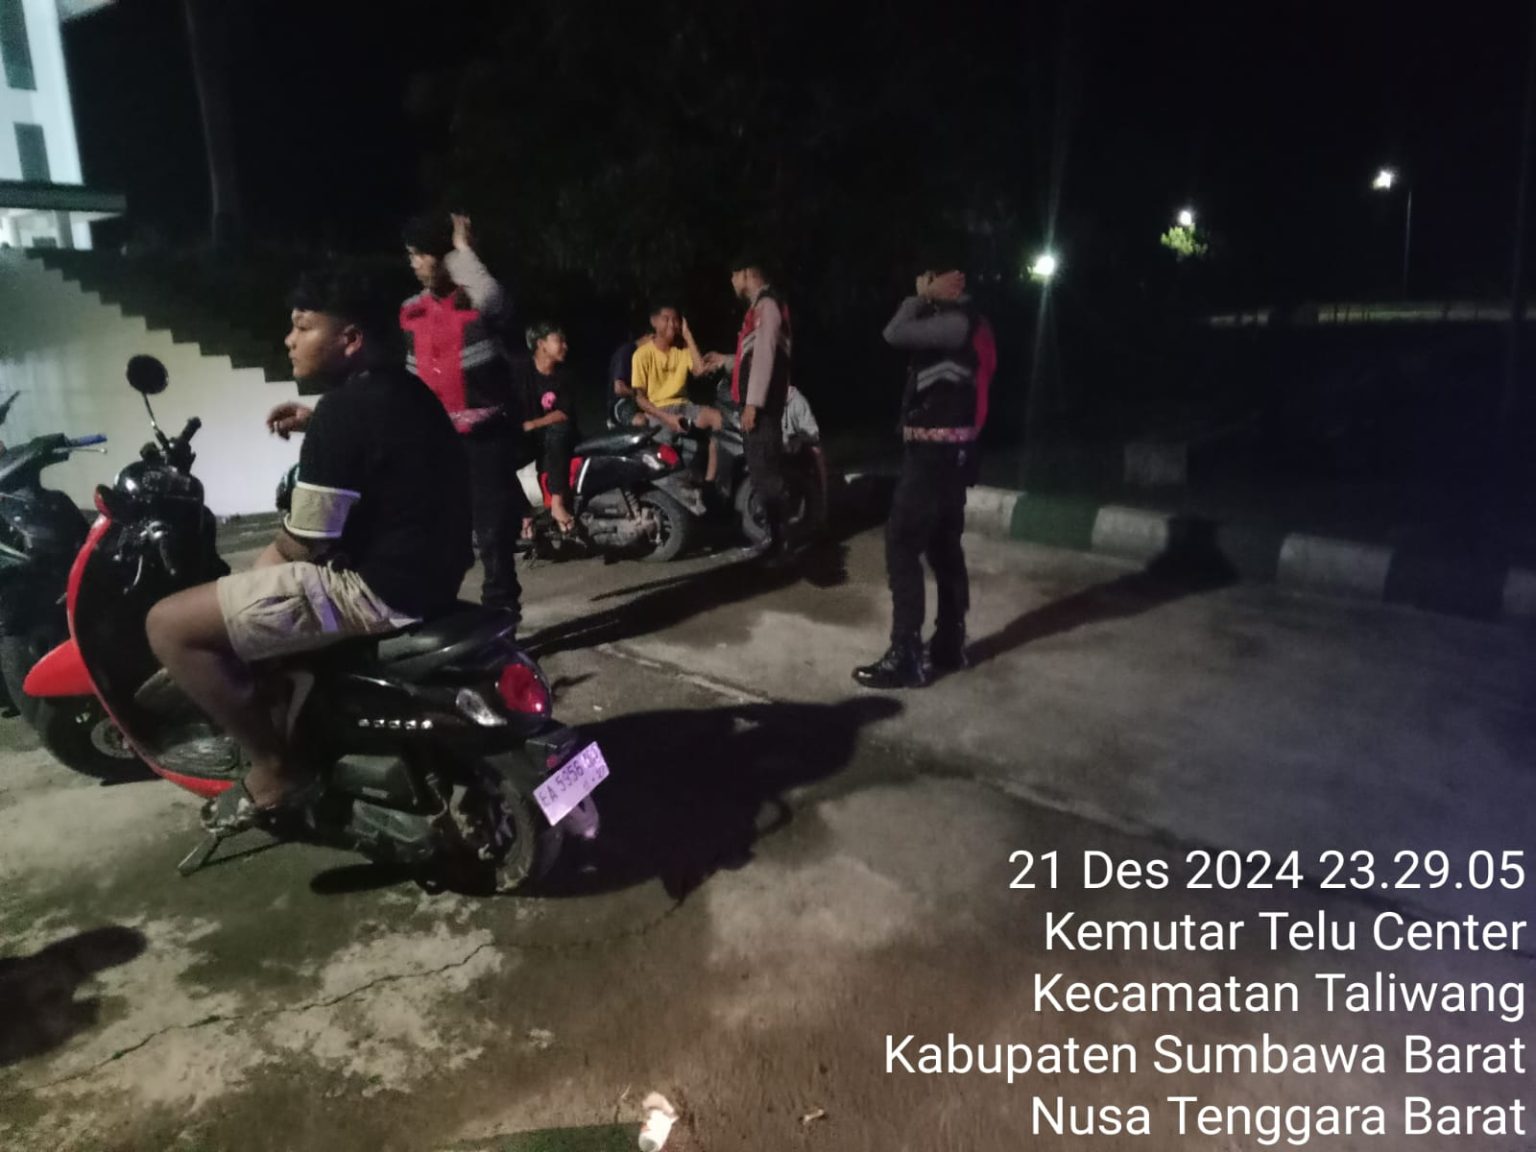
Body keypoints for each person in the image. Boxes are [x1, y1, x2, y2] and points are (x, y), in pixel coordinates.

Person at [150, 265, 473, 827]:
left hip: (377, 591)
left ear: (350, 339)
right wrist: (316, 421)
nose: (288, 340)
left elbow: (304, 543)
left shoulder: (344, 413)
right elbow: (374, 436)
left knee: (169, 625)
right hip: (435, 575)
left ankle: (276, 767)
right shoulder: (408, 391)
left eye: (302, 327)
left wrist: (243, 588)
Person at [853, 261, 996, 690]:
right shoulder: (970, 322)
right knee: (944, 547)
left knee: (901, 542)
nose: (923, 282)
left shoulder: (955, 322)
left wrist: (922, 296)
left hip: (934, 456)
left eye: (931, 276)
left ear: (949, 281)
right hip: (953, 454)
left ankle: (906, 653)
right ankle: (949, 643)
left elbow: (894, 332)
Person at [398, 212, 527, 624]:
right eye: (411, 255)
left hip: (485, 440)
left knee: (493, 537)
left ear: (444, 258)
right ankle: (444, 620)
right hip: (435, 443)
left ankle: (502, 620)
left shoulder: (479, 304)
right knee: (440, 536)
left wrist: (462, 250)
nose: (414, 263)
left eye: (420, 254)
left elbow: (494, 298)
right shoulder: (410, 312)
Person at [701, 258, 793, 558]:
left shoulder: (766, 306)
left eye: (733, 275)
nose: (731, 282)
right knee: (762, 473)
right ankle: (775, 539)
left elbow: (765, 357)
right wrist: (726, 361)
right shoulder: (761, 307)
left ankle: (780, 543)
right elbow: (752, 357)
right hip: (761, 408)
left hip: (762, 410)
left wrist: (752, 404)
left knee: (766, 476)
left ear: (745, 273)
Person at [631, 302, 722, 481]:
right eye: (666, 319)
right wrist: (667, 418)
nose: (672, 324)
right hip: (657, 411)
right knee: (659, 452)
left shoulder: (682, 350)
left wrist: (688, 335)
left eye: (676, 320)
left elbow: (699, 370)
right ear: (654, 321)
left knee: (718, 419)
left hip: (683, 406)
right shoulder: (641, 355)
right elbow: (640, 398)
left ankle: (710, 482)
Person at [513, 322, 580, 534]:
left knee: (559, 430)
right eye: (559, 341)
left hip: (558, 437)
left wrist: (533, 424)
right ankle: (524, 513)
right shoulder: (521, 372)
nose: (565, 346)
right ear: (541, 344)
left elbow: (563, 413)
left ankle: (557, 504)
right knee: (496, 459)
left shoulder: (564, 375)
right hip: (529, 440)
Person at [781, 384, 829, 529]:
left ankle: (818, 519)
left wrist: (798, 439)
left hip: (807, 449)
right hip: (785, 452)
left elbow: (813, 432)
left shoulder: (798, 402)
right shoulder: (771, 403)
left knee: (814, 484)